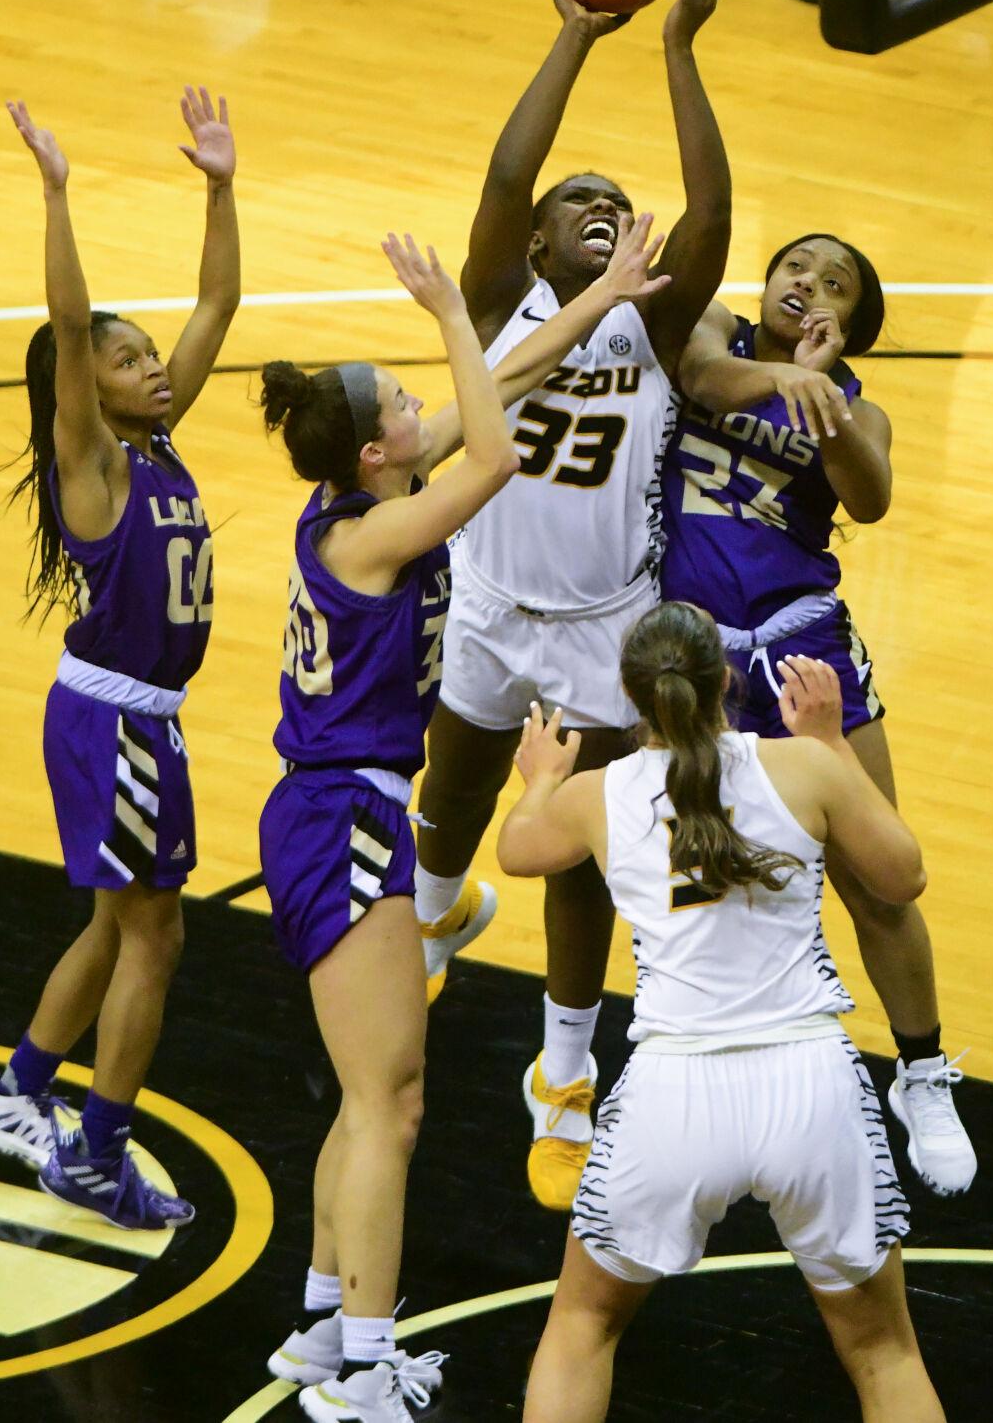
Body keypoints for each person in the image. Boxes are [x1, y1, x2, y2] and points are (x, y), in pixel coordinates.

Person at [259, 220, 669, 1423]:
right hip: (342, 813)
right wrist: (448, 310)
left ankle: (323, 1327)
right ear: (378, 449)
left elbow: (514, 375)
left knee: (367, 1096)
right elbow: (493, 454)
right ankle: (367, 1365)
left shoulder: (370, 498)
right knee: (393, 1104)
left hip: (341, 810)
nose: (419, 400)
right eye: (402, 400)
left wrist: (599, 296)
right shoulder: (376, 530)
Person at [412, 0, 733, 1212]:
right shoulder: (498, 300)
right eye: (576, 200)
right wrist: (576, 37)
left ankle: (562, 1078)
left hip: (605, 624)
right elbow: (506, 175)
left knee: (579, 852)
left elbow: (710, 209)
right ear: (537, 237)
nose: (601, 204)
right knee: (453, 788)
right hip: (491, 597)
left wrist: (678, 50)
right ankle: (434, 920)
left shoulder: (651, 318)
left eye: (616, 199)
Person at [497, 606, 945, 1423]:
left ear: (634, 696)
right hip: (810, 1086)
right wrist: (834, 743)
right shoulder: (804, 766)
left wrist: (543, 779)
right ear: (726, 680)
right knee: (885, 1352)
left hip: (671, 1095)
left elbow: (517, 849)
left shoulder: (601, 794)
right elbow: (903, 874)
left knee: (582, 1328)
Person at [0, 88, 240, 1229]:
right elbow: (69, 327)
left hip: (132, 721)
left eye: (147, 353)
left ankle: (16, 1089)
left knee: (114, 925)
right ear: (91, 385)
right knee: (156, 938)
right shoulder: (94, 466)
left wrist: (221, 189)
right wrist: (57, 192)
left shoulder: (156, 445)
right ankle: (95, 1153)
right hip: (116, 720)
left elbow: (218, 302)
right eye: (129, 360)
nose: (151, 366)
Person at [659, 236, 976, 1196]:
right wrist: (783, 376)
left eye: (834, 282)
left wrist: (822, 392)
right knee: (698, 882)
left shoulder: (858, 408)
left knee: (878, 871)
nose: (807, 282)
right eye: (797, 266)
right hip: (691, 651)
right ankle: (699, 1075)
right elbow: (703, 379)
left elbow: (869, 498)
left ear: (850, 328)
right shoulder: (714, 330)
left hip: (803, 638)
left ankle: (922, 1072)